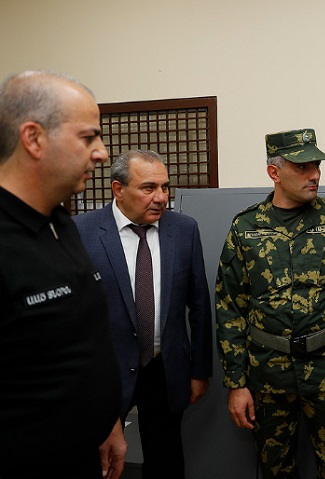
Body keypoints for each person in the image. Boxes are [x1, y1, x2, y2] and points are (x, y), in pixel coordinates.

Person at [215, 128, 325, 479]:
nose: (314, 174)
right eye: (302, 167)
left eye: (316, 166)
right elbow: (229, 308)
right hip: (267, 374)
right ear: (274, 172)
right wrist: (236, 383)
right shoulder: (245, 227)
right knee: (275, 469)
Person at [0, 70, 126, 478]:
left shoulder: (60, 222)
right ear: (33, 138)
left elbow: (79, 338)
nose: (102, 153)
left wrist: (106, 421)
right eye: (88, 138)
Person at [73, 149, 212, 479]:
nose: (161, 197)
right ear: (118, 189)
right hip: (107, 371)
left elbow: (199, 304)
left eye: (165, 187)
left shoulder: (184, 229)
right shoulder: (82, 231)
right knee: (102, 462)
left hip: (165, 368)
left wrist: (199, 370)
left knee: (166, 460)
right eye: (149, 188)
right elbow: (72, 316)